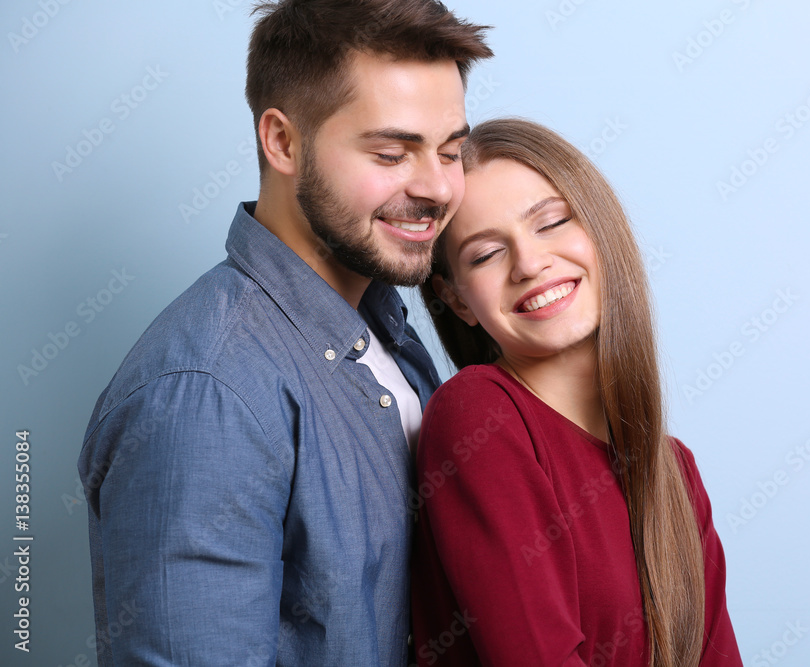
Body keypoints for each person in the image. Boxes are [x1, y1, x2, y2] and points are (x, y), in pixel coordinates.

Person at [77, 1, 491, 664]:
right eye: (392, 153)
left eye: (450, 152)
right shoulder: (207, 394)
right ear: (283, 142)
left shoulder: (385, 327)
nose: (439, 188)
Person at [411, 118, 742, 667]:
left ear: (599, 229)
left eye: (552, 222)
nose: (530, 263)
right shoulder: (478, 417)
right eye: (486, 254)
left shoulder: (675, 473)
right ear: (458, 299)